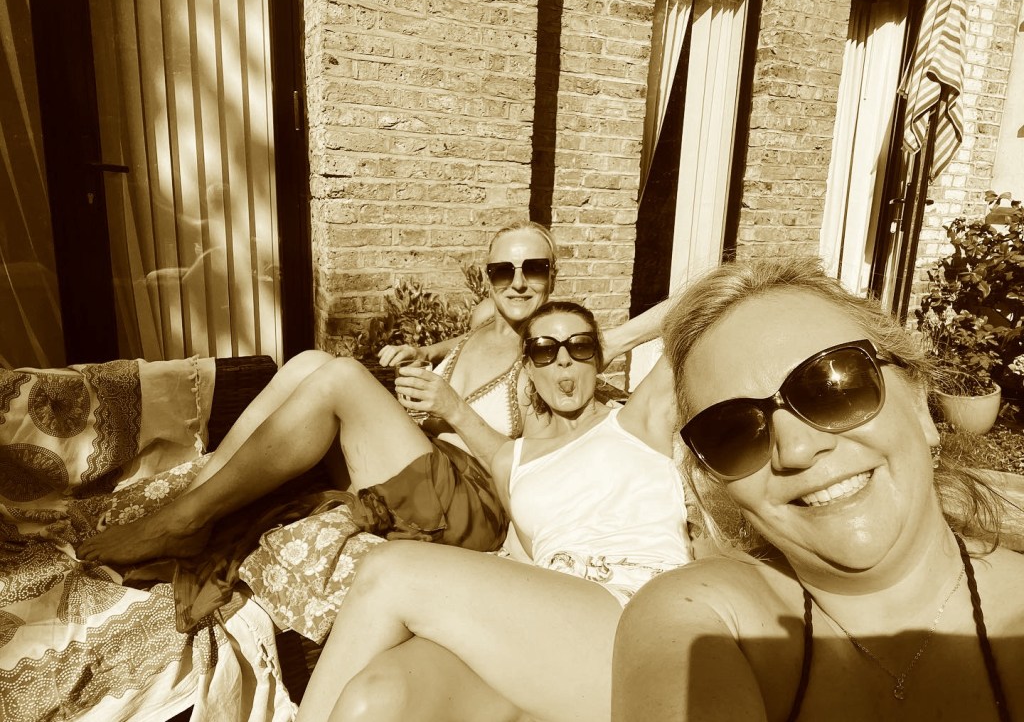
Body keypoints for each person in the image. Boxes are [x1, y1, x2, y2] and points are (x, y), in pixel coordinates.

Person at [78, 221, 664, 564]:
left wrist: (453, 408)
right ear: (485, 279)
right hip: (424, 469)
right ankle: (201, 491)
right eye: (502, 271)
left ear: (552, 275)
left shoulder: (555, 351)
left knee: (340, 376)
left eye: (533, 269)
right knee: (309, 361)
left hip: (472, 505)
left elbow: (532, 470)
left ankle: (184, 520)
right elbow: (467, 342)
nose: (517, 282)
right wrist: (427, 355)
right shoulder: (488, 318)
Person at [612, 257, 1024, 722]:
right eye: (733, 431)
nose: (796, 449)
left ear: (919, 405)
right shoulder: (705, 622)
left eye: (833, 387)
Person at [296, 300, 692, 722]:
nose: (563, 360)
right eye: (545, 350)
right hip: (546, 632)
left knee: (390, 570)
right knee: (375, 696)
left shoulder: (638, 422)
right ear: (527, 367)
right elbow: (521, 556)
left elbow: (706, 306)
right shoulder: (511, 461)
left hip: (635, 613)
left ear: (597, 357)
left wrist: (615, 340)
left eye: (579, 346)